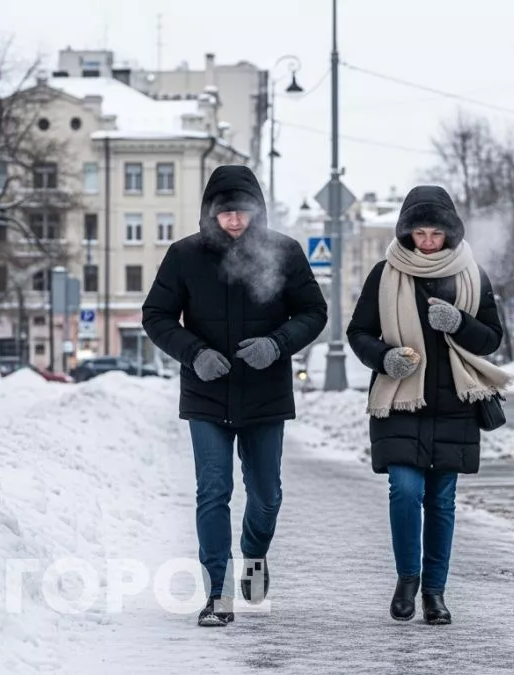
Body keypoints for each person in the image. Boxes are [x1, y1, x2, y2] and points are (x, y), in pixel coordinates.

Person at [142, 165, 327, 627]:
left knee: (266, 496)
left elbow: (313, 311)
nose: (234, 221)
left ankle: (255, 554)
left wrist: (277, 344)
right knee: (213, 491)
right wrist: (194, 353)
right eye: (225, 213)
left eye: (242, 212)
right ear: (210, 213)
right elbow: (157, 315)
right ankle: (217, 594)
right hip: (207, 393)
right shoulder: (184, 255)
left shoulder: (283, 252)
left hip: (265, 394)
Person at [346, 185, 512, 625]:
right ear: (406, 234)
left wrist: (460, 323)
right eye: (418, 233)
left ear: (450, 233)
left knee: (441, 501)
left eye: (435, 233)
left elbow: (492, 339)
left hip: (455, 405)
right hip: (400, 402)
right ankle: (407, 579)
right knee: (404, 491)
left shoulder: (472, 275)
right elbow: (358, 333)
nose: (427, 241)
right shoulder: (384, 274)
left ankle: (435, 594)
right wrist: (384, 357)